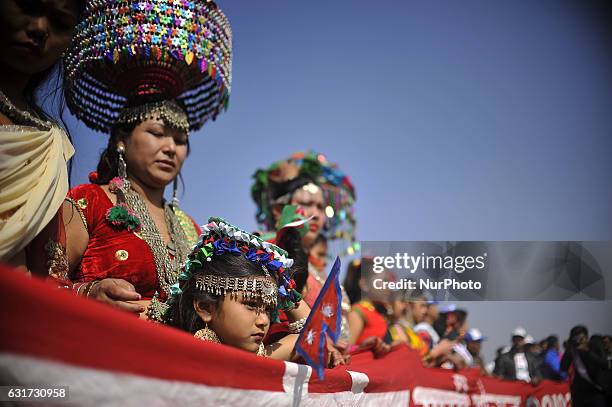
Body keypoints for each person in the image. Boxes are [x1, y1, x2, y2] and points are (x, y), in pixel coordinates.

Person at [59, 0, 232, 320]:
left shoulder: (191, 229)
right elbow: (42, 284)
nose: (171, 148)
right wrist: (89, 294)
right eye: (156, 133)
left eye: (180, 140)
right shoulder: (88, 202)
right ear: (122, 140)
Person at [0, 0, 83, 276]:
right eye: (30, 6)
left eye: (60, 23)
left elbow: (48, 273)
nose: (40, 28)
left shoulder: (50, 142)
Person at [164, 218, 309, 361]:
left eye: (268, 309)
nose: (264, 320)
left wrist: (283, 283)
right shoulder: (179, 358)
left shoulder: (257, 361)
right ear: (205, 308)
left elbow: (313, 335)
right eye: (251, 305)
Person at [560, 325, 608, 407]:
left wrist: (587, 351)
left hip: (596, 391)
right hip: (579, 393)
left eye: (581, 338)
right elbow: (563, 368)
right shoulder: (572, 350)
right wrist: (569, 349)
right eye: (575, 338)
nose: (578, 341)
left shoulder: (595, 345)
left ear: (586, 337)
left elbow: (604, 364)